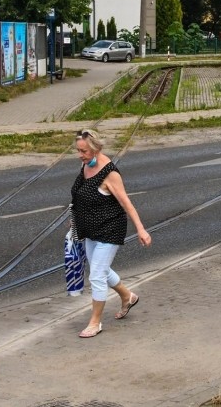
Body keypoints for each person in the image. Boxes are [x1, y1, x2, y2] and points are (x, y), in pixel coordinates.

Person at [70, 129, 151, 338]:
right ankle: (128, 296)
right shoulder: (85, 165)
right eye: (78, 150)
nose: (80, 155)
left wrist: (141, 229)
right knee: (102, 270)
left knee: (96, 274)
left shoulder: (110, 174)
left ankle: (95, 322)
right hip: (89, 229)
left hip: (109, 229)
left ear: (97, 149)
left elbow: (127, 204)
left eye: (84, 151)